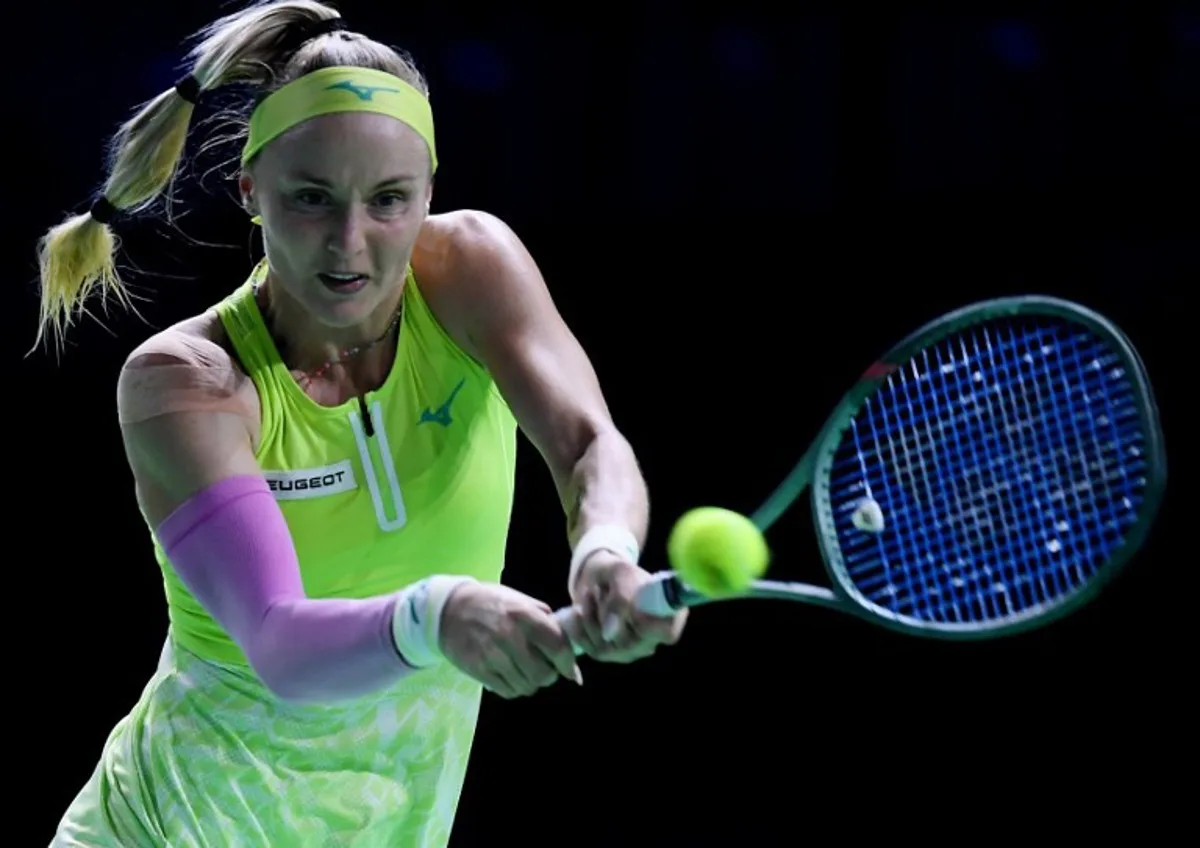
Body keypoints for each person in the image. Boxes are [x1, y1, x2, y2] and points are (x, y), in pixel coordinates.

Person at [40, 2, 686, 845]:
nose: (351, 243)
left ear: (428, 195)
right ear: (251, 193)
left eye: (389, 200)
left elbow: (588, 445)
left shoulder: (469, 272)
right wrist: (438, 613)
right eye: (311, 199)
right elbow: (278, 643)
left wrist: (604, 548)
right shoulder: (187, 382)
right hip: (172, 827)